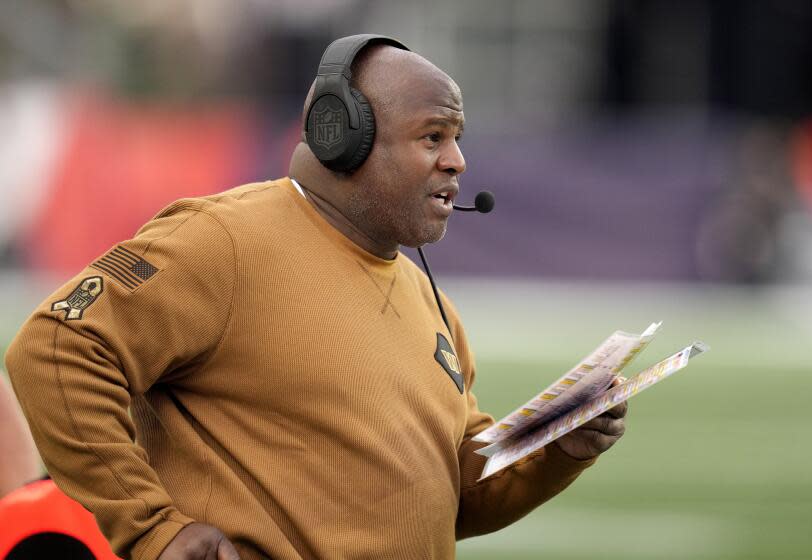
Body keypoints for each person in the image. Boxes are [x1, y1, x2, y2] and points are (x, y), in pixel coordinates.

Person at [5, 35, 627, 560]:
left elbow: (455, 491)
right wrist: (151, 527)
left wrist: (555, 450)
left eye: (457, 137)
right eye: (432, 136)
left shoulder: (429, 299)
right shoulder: (222, 241)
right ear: (343, 138)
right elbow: (57, 350)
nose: (458, 161)